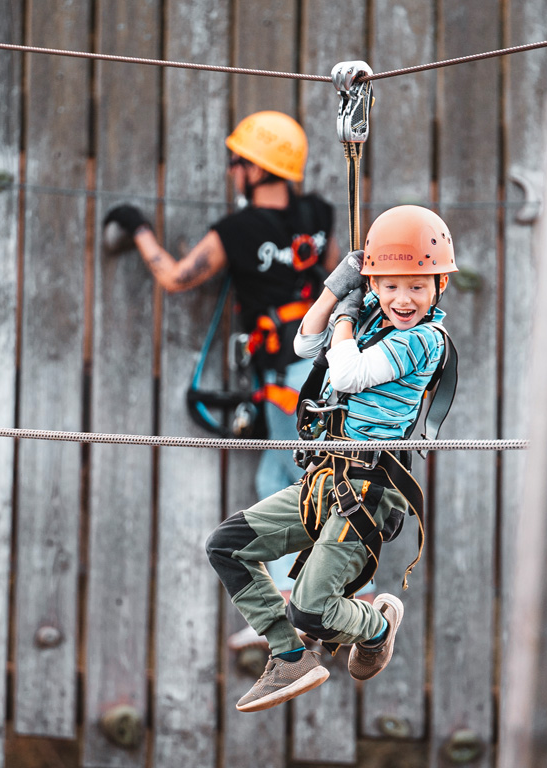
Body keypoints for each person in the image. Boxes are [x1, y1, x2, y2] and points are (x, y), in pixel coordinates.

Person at [204, 205, 458, 712]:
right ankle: (289, 656)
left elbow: (344, 375)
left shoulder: (425, 341)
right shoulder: (368, 317)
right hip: (327, 480)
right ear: (374, 285)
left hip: (367, 492)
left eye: (417, 286)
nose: (403, 299)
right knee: (227, 545)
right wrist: (334, 290)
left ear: (439, 286)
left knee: (313, 609)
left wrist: (346, 314)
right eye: (389, 286)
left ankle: (377, 623)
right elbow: (303, 343)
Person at [102, 110, 334, 503]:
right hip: (327, 366)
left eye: (236, 162)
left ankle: (306, 565)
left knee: (287, 489)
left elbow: (176, 278)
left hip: (288, 376)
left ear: (257, 170)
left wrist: (138, 227)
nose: (231, 171)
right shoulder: (317, 214)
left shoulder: (237, 230)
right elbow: (337, 272)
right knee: (282, 479)